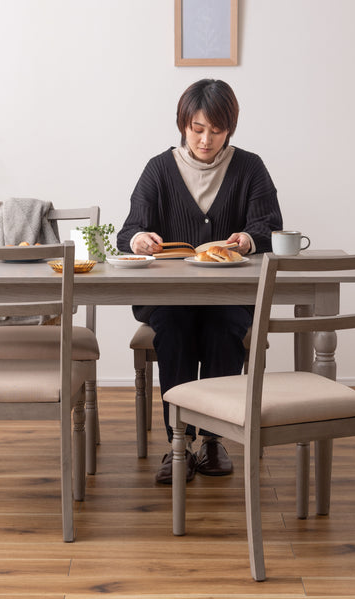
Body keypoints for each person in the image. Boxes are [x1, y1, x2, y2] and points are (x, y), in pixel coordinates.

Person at [116, 79, 283, 484]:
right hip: (167, 299)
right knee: (174, 327)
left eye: (216, 130)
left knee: (224, 326)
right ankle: (179, 443)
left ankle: (213, 440)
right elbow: (129, 232)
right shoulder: (159, 168)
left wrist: (248, 239)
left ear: (230, 129)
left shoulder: (249, 167)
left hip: (230, 297)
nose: (205, 140)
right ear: (183, 125)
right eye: (197, 129)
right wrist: (140, 239)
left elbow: (270, 227)